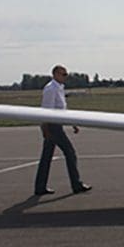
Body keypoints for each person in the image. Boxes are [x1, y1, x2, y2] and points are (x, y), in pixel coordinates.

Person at [34, 65, 91, 195]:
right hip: (53, 126)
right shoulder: (50, 89)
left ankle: (40, 187)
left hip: (57, 125)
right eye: (63, 74)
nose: (65, 77)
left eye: (66, 74)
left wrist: (72, 123)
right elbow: (45, 110)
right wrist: (45, 129)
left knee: (46, 157)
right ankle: (76, 184)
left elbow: (62, 109)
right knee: (70, 153)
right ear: (55, 74)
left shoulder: (59, 88)